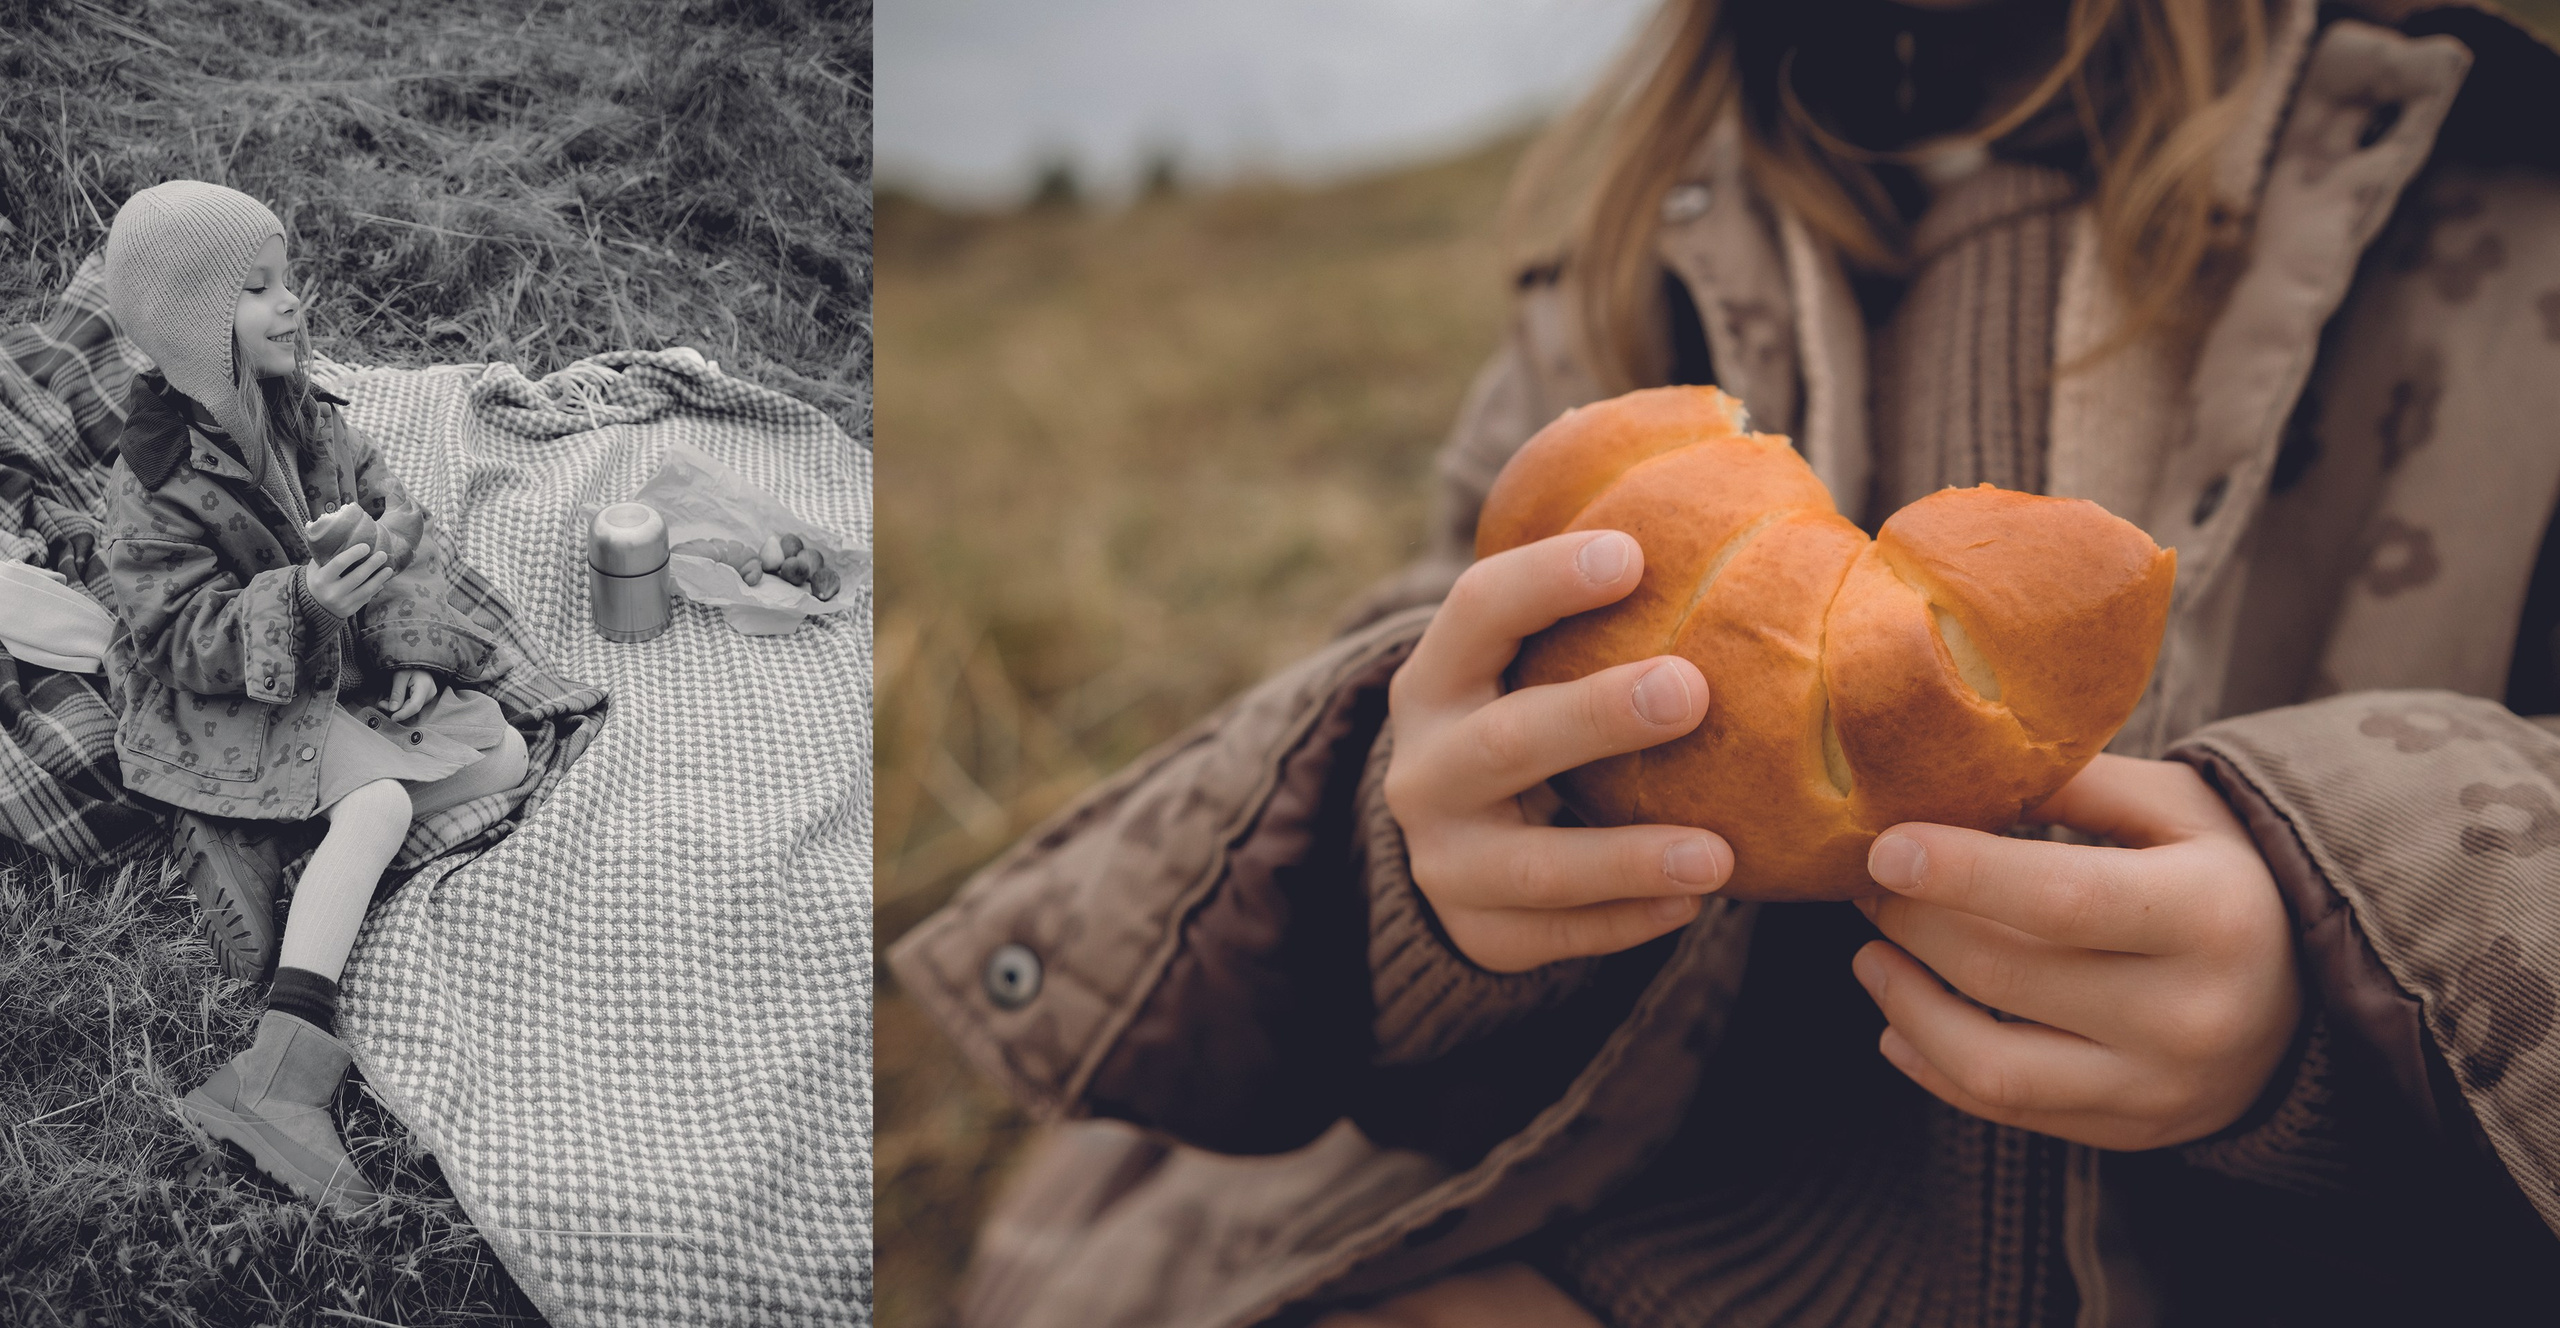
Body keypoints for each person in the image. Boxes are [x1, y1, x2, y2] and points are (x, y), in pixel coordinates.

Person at [892, 0, 2560, 1324]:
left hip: (2258, 1258)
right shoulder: (1635, 253)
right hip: (1653, 1220)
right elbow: (1439, 655)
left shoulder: (2489, 199)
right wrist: (1437, 862)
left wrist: (2356, 953)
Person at [97, 180, 533, 1213]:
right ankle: (276, 1074)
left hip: (334, 670)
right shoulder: (148, 485)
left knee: (504, 750)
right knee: (382, 803)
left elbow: (388, 508)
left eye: (288, 278)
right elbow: (178, 637)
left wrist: (396, 619)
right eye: (257, 289)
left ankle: (292, 835)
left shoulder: (304, 408)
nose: (291, 302)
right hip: (221, 702)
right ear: (189, 331)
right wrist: (295, 599)